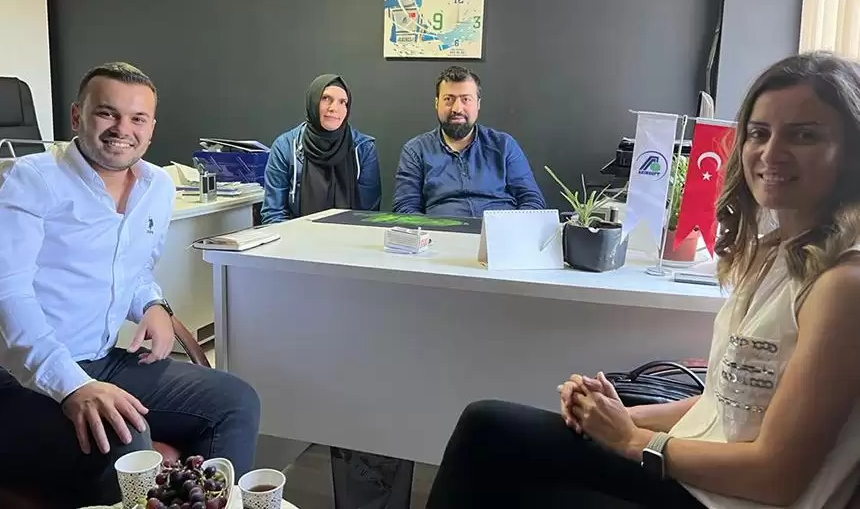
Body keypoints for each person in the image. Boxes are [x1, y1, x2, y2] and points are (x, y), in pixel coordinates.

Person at [426, 52, 860, 509]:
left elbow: (777, 477)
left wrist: (632, 440)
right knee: (488, 428)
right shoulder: (774, 256)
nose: (771, 153)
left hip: (727, 498)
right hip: (694, 475)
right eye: (759, 133)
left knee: (504, 477)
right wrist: (617, 416)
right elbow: (722, 406)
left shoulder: (842, 286)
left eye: (804, 135)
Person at [0, 63, 261, 508]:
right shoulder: (26, 182)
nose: (123, 129)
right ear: (77, 115)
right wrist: (71, 386)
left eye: (138, 118)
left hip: (94, 359)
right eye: (107, 113)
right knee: (123, 436)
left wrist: (153, 305)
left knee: (235, 400)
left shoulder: (156, 187)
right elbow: (1, 299)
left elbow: (133, 271)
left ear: (151, 129)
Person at [392, 65, 545, 217]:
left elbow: (532, 200)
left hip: (500, 229)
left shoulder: (504, 145)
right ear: (437, 103)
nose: (457, 109)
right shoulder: (415, 150)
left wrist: (512, 228)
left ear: (478, 104)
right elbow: (405, 208)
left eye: (466, 99)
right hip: (442, 230)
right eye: (448, 99)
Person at [260, 74, 381, 224]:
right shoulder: (285, 146)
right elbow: (273, 213)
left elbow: (369, 215)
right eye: (326, 98)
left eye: (342, 102)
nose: (334, 108)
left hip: (350, 235)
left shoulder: (363, 148)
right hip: (297, 235)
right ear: (313, 101)